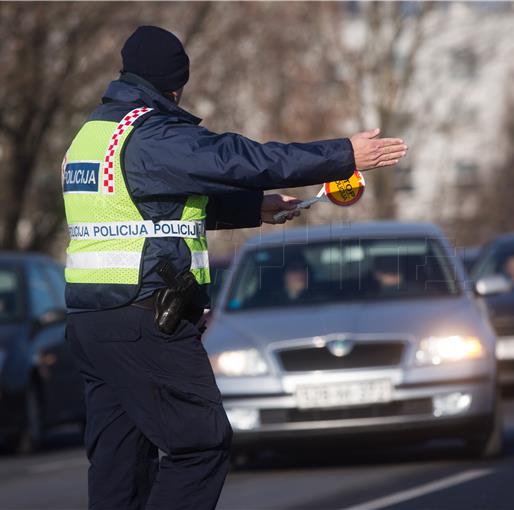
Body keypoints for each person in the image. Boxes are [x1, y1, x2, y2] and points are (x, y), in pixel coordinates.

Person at [62, 26, 407, 510]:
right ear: (176, 82)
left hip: (90, 323)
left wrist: (252, 209)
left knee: (122, 465)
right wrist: (343, 155)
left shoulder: (94, 135)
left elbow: (144, 210)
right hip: (143, 319)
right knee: (199, 445)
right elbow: (242, 160)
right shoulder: (153, 131)